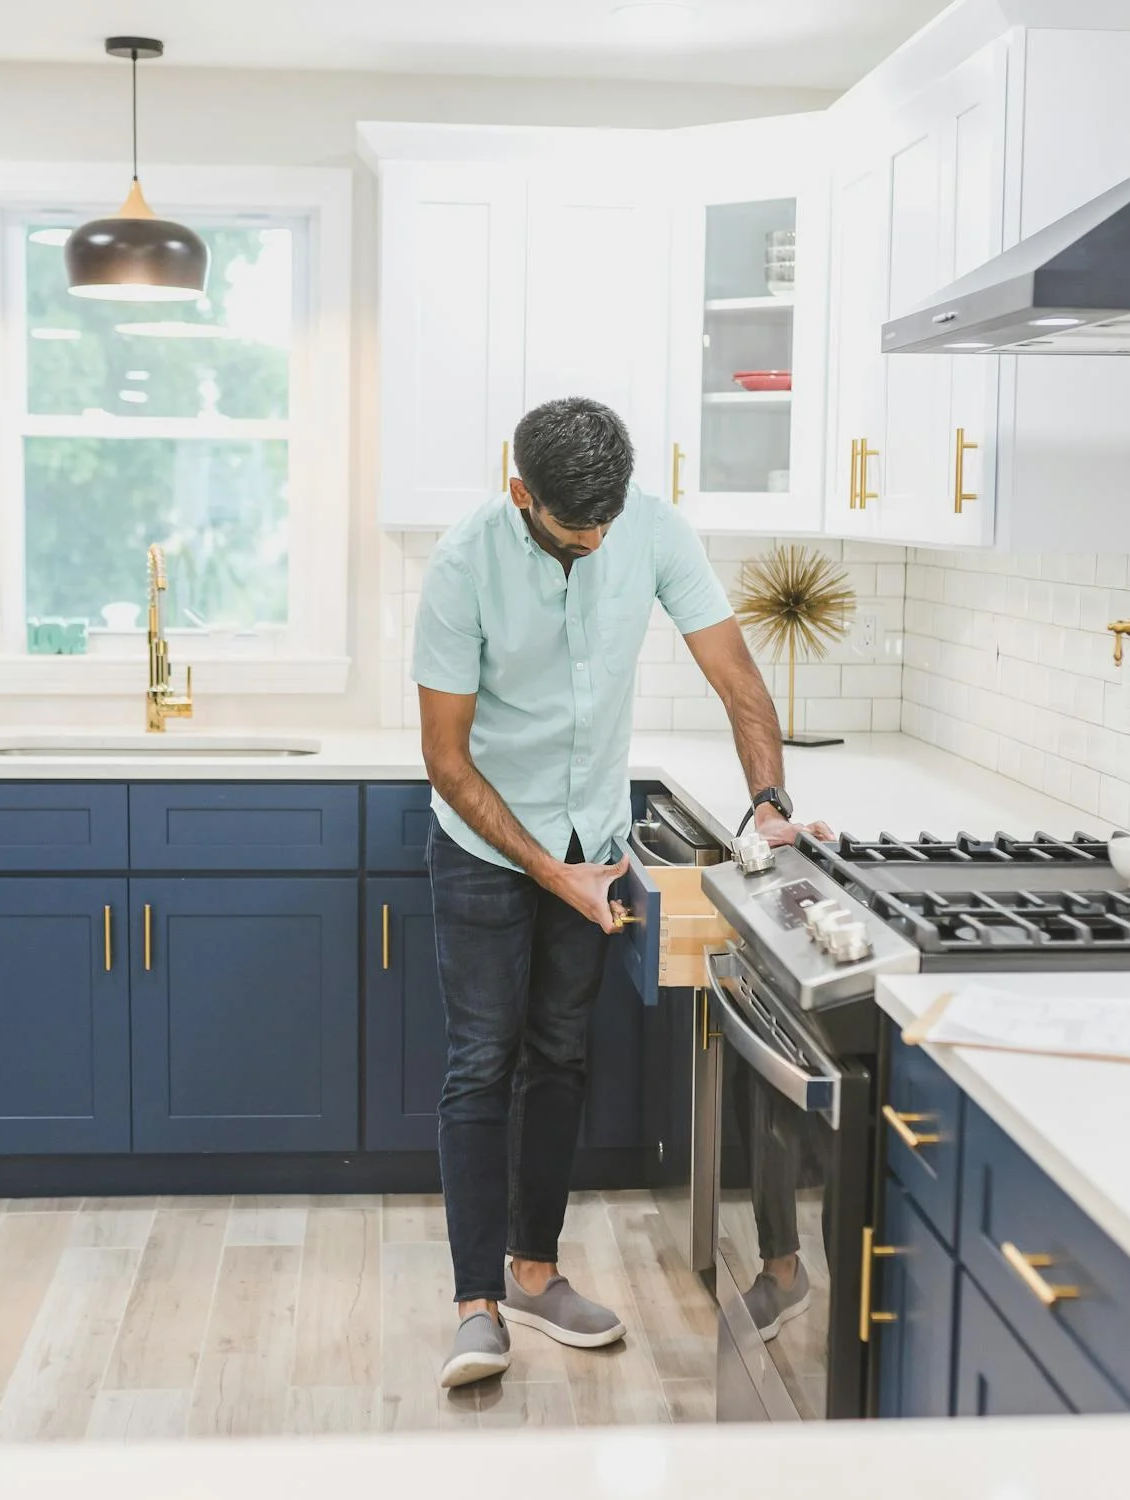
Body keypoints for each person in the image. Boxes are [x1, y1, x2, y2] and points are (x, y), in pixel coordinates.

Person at [412, 396, 830, 1388]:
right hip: (484, 840)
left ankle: (536, 1274)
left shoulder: (649, 527)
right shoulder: (462, 564)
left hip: (590, 834)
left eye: (608, 523)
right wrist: (547, 871)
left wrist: (769, 801)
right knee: (481, 1063)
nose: (598, 543)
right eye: (575, 530)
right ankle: (476, 1308)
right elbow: (445, 757)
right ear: (522, 495)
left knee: (559, 1057)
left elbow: (737, 682)